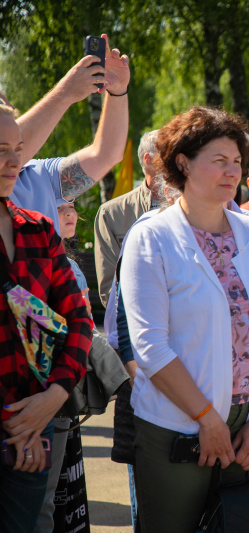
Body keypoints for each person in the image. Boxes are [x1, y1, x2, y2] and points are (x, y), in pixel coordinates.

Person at [120, 106, 249, 532]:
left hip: (246, 428)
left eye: (237, 161)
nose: (233, 171)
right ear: (183, 163)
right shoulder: (151, 236)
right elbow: (150, 346)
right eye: (219, 161)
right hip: (176, 428)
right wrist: (207, 421)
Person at [0, 104, 93, 533]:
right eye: (1, 150)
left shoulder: (39, 228)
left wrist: (52, 400)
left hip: (35, 433)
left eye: (18, 149)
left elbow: (79, 322)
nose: (15, 162)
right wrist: (21, 424)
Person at [9, 34, 129, 231]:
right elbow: (11, 147)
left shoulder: (40, 175)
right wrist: (65, 92)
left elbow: (106, 155)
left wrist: (117, 91)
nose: (12, 122)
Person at [34, 202, 94, 533]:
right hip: (43, 394)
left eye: (72, 206)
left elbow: (78, 328)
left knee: (46, 498)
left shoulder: (66, 263)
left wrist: (59, 390)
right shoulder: (37, 259)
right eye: (60, 207)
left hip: (56, 396)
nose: (70, 214)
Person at [94, 130, 160, 307]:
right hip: (133, 325)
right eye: (170, 154)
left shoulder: (192, 206)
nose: (179, 162)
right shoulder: (112, 213)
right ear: (149, 160)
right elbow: (109, 286)